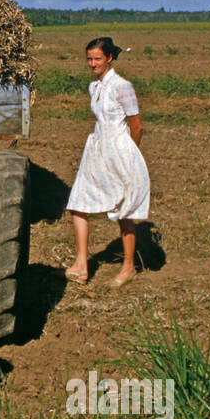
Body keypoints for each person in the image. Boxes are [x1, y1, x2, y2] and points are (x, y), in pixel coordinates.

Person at [64, 37, 149, 287]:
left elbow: (137, 126)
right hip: (96, 148)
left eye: (97, 59)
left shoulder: (123, 86)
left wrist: (128, 154)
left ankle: (129, 267)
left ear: (109, 58)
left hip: (120, 150)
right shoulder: (94, 87)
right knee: (78, 203)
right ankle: (81, 265)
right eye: (89, 59)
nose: (92, 63)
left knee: (124, 209)